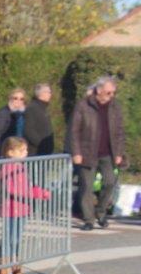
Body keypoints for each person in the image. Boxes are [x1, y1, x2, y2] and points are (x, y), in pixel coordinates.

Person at [68, 75, 126, 230]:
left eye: (113, 93)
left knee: (109, 182)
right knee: (86, 186)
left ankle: (100, 212)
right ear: (99, 90)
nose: (111, 96)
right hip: (88, 152)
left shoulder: (115, 107)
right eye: (108, 92)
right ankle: (88, 219)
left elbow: (120, 131)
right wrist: (76, 152)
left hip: (108, 152)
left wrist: (119, 153)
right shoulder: (83, 105)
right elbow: (74, 131)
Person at [0, 136, 49, 274]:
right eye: (21, 150)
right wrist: (34, 194)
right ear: (10, 152)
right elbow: (12, 189)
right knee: (7, 241)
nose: (25, 153)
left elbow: (27, 186)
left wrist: (41, 192)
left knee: (17, 242)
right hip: (10, 209)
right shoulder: (6, 167)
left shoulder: (22, 167)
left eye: (26, 150)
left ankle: (17, 272)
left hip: (22, 209)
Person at [23, 83, 55, 156]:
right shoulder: (32, 108)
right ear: (42, 93)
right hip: (36, 153)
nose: (50, 95)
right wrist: (41, 144)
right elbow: (28, 130)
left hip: (45, 152)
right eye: (49, 92)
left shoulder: (43, 109)